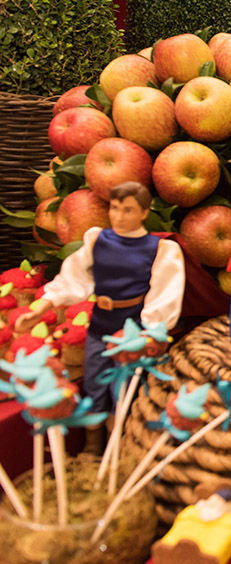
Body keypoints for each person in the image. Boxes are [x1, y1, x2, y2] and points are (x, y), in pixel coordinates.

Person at [16, 181, 184, 452]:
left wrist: (150, 331)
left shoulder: (160, 249)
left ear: (144, 212)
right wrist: (43, 306)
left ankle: (117, 444)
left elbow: (165, 293)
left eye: (128, 210)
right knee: (95, 380)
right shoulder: (97, 240)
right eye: (115, 209)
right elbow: (74, 279)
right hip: (99, 324)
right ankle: (93, 444)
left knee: (125, 387)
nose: (119, 216)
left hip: (131, 331)